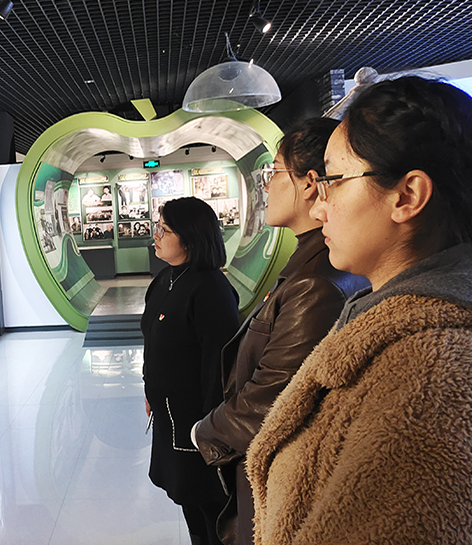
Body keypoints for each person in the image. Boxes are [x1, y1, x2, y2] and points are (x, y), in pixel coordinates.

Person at [246, 76, 472, 544]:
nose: (318, 208)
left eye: (333, 181)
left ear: (407, 196)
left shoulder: (433, 384)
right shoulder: (402, 327)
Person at [192, 119, 369, 545]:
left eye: (273, 173)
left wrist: (204, 431)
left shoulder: (316, 283)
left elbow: (273, 401)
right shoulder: (310, 266)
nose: (266, 186)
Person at [141, 197, 241, 545]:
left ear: (191, 238)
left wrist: (211, 427)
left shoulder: (211, 289)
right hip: (170, 417)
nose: (156, 236)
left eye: (165, 230)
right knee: (187, 498)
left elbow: (220, 364)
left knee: (210, 504)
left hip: (199, 423)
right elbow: (152, 340)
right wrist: (149, 387)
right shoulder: (164, 280)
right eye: (158, 227)